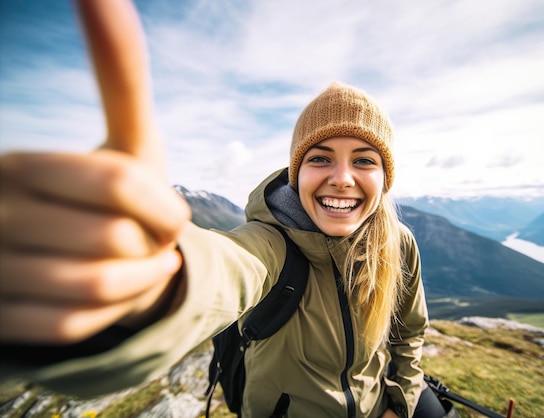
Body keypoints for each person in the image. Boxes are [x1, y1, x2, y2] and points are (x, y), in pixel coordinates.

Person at [0, 1, 448, 417]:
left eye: (365, 160)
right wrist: (153, 290)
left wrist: (402, 401)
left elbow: (409, 332)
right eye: (320, 157)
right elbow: (225, 270)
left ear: (385, 179)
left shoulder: (398, 244)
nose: (342, 177)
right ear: (296, 174)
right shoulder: (271, 243)